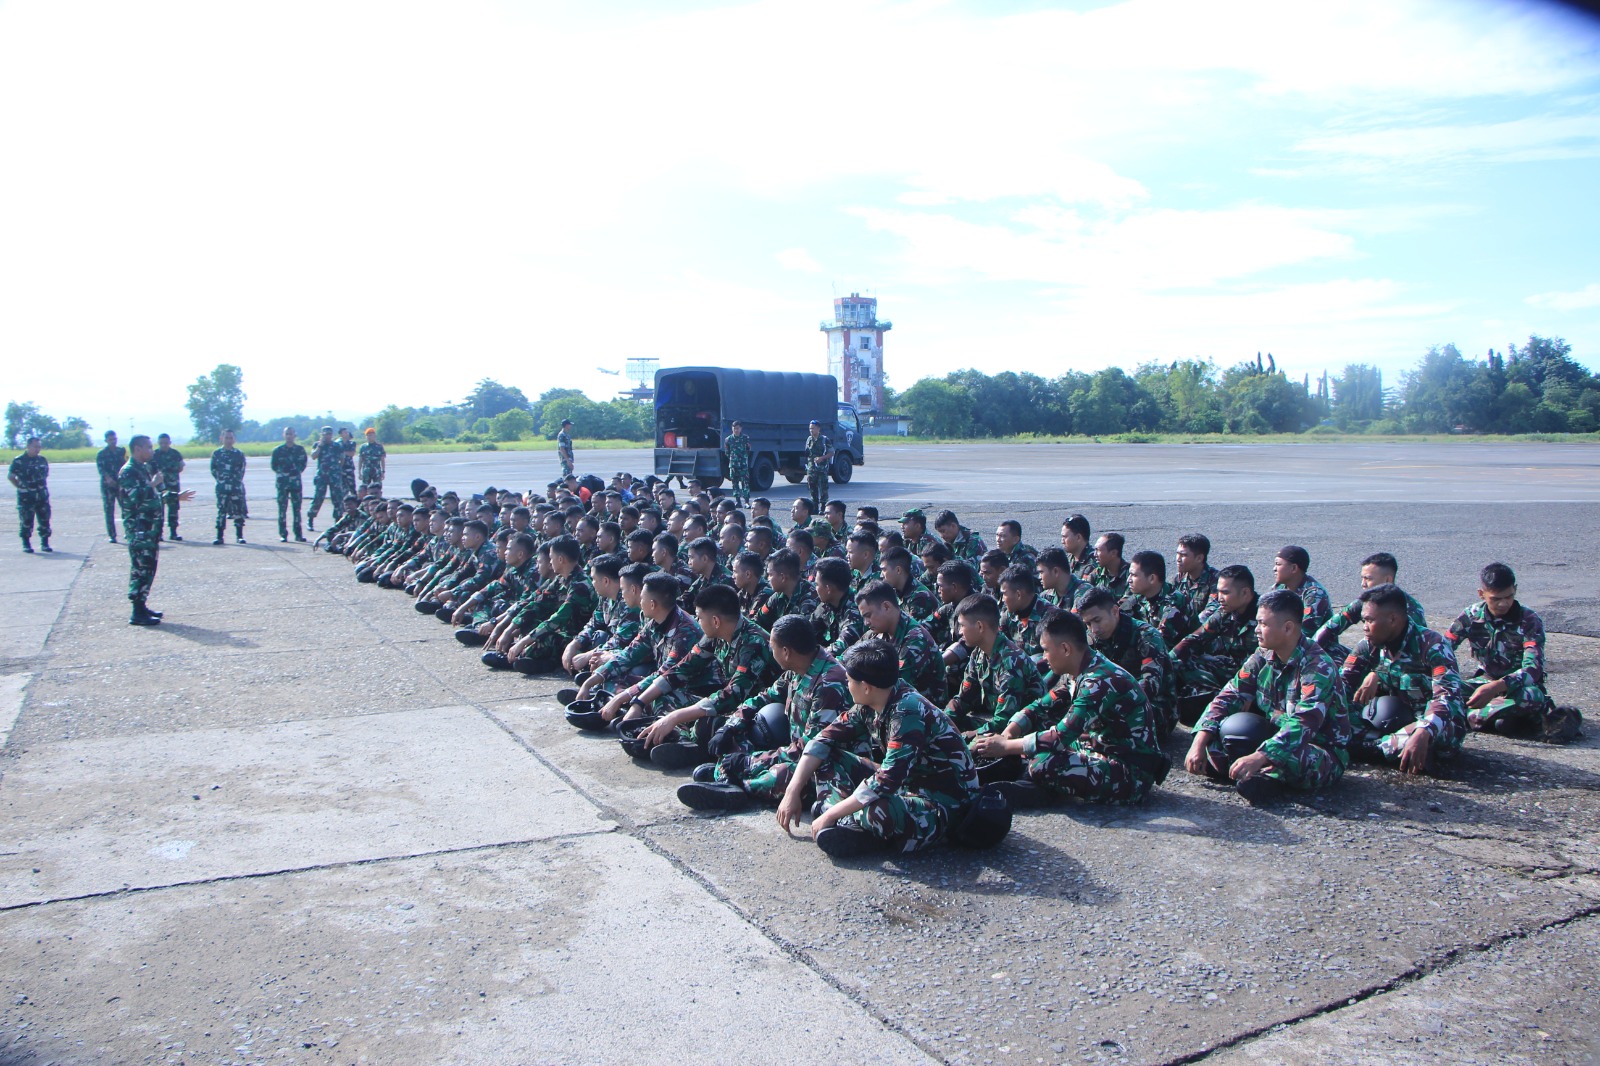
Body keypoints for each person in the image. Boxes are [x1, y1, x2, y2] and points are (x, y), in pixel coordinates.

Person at [777, 639, 982, 857]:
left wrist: (832, 814)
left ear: (866, 687)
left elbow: (887, 780)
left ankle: (845, 821)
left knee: (880, 811)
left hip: (943, 804)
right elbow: (822, 740)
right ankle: (849, 824)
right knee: (826, 757)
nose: (847, 685)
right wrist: (792, 791)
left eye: (849, 680)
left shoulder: (907, 712)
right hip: (908, 784)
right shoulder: (874, 700)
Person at [972, 609, 1164, 807]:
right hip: (1102, 748)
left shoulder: (1099, 681)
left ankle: (1038, 790)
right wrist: (1011, 730)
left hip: (1130, 773)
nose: (1044, 657)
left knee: (1043, 763)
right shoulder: (1085, 666)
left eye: (1046, 650)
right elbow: (1042, 706)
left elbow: (1059, 737)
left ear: (1065, 649)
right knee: (1033, 743)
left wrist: (1005, 746)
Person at [1185, 589, 1351, 805]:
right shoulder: (1264, 653)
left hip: (1315, 748)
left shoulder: (1318, 667)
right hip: (1274, 735)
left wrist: (1259, 756)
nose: (1257, 630)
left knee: (1294, 759)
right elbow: (1228, 695)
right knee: (1221, 737)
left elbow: (1303, 724)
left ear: (1288, 628)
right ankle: (1259, 775)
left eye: (1263, 624)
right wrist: (1199, 741)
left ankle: (1263, 777)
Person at [677, 616, 859, 811]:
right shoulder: (799, 668)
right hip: (791, 749)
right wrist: (730, 726)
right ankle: (729, 778)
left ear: (786, 652)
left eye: (773, 648)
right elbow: (763, 698)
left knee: (783, 775)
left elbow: (813, 746)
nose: (771, 652)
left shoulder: (829, 684)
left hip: (823, 762)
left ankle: (737, 785)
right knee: (735, 736)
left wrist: (750, 761)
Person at [634, 583, 777, 769]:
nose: (697, 620)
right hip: (732, 705)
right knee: (662, 698)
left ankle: (700, 748)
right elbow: (682, 668)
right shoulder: (714, 635)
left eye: (700, 617)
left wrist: (676, 717)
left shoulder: (754, 643)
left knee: (709, 724)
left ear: (716, 621)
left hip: (758, 712)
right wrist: (638, 703)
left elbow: (734, 694)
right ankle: (684, 743)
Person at [1343, 583, 1466, 775]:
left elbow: (1446, 698)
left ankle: (1371, 749)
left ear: (1393, 619)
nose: (1365, 628)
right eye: (1363, 621)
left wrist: (1425, 729)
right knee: (1336, 713)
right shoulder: (1369, 644)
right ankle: (1384, 747)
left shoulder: (1432, 646)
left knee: (1442, 731)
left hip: (1433, 723)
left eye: (1369, 621)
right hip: (1393, 717)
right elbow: (1341, 685)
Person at [1448, 562, 1577, 739]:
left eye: (1508, 596)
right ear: (1482, 594)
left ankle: (1474, 715)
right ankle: (1493, 717)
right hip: (1484, 683)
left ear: (1515, 589)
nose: (1503, 604)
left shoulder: (1529, 620)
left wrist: (1498, 686)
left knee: (1531, 698)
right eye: (1495, 598)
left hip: (1518, 688)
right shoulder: (1470, 616)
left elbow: (1533, 669)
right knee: (1437, 687)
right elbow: (1443, 648)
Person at [1077, 587, 1176, 741]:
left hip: (1153, 708)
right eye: (1088, 624)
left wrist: (1107, 703)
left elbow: (1150, 685)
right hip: (1109, 704)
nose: (1094, 629)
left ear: (1115, 611)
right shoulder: (1092, 637)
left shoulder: (1146, 636)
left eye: (1097, 620)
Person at [945, 593, 1046, 737]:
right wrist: (942, 720)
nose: (960, 632)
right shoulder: (979, 653)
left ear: (980, 626)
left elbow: (1003, 722)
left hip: (1023, 731)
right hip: (994, 719)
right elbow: (963, 699)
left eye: (962, 625)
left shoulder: (1011, 662)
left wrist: (966, 736)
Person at [118, 434, 195, 625]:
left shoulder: (143, 469)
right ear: (137, 449)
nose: (151, 451)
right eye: (148, 448)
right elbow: (135, 496)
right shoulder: (128, 471)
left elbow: (157, 494)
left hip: (150, 529)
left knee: (149, 567)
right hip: (139, 528)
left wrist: (176, 496)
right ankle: (136, 612)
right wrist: (152, 483)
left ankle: (142, 605)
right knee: (140, 568)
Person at [1170, 564, 1260, 724]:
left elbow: (1271, 665)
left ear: (1245, 593)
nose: (1219, 597)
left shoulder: (1264, 618)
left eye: (1225, 592)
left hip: (1257, 681)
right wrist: (1166, 663)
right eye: (1218, 591)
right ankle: (1215, 696)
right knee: (1182, 662)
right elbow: (1194, 639)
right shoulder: (1225, 611)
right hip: (1232, 671)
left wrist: (1247, 692)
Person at [1312, 552, 1425, 662]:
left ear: (1387, 580)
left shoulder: (1410, 609)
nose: (1363, 584)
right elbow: (1330, 627)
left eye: (1368, 579)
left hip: (1403, 663)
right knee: (1326, 649)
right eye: (1362, 578)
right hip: (1371, 655)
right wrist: (1306, 654)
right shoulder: (1364, 603)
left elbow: (1414, 650)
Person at [856, 579, 947, 703]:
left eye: (868, 615)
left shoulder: (916, 641)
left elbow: (888, 690)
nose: (866, 623)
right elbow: (848, 658)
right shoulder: (878, 632)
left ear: (886, 607)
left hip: (918, 712)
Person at [1121, 550, 1189, 647]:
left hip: (1180, 657)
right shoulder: (1140, 595)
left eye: (1134, 575)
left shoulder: (1173, 603)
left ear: (1152, 578)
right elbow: (1118, 618)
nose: (1129, 580)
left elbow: (1159, 644)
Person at [1272, 545, 1333, 633]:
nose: (1274, 569)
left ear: (1294, 568)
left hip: (1315, 645)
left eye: (1278, 564)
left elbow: (1307, 631)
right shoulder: (1278, 588)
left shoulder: (1314, 594)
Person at [1171, 533, 1220, 636]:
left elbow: (1212, 611)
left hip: (1204, 633)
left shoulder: (1216, 580)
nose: (1178, 559)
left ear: (1199, 558)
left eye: (1183, 555)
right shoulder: (1178, 579)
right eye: (1178, 554)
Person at [8, 437, 51, 553]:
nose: (38, 449)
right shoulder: (19, 461)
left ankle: (45, 543)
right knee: (26, 520)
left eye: (39, 447)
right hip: (26, 497)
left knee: (45, 519)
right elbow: (11, 477)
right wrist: (21, 487)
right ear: (28, 446)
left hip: (42, 495)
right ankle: (26, 544)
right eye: (35, 446)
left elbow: (45, 475)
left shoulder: (42, 460)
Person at [210, 429, 249, 545]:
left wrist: (235, 481)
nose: (228, 440)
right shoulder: (217, 454)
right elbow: (213, 469)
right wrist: (222, 480)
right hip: (222, 488)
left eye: (231, 438)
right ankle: (220, 536)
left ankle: (239, 536)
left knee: (238, 511)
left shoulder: (239, 454)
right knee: (221, 511)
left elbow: (242, 470)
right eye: (226, 438)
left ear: (234, 439)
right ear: (221, 438)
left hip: (236, 487)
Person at [270, 427, 309, 543]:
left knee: (297, 509)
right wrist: (284, 474)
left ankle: (298, 534)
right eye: (287, 434)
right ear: (284, 435)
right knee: (282, 510)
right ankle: (283, 534)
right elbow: (274, 466)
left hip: (295, 483)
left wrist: (294, 473)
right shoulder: (278, 450)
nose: (289, 436)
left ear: (294, 435)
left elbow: (303, 464)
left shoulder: (300, 450)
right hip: (282, 483)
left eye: (291, 434)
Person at [307, 427, 345, 530]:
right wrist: (320, 446)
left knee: (337, 499)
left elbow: (342, 459)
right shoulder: (318, 444)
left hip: (334, 476)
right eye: (325, 434)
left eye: (329, 434)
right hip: (322, 476)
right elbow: (313, 456)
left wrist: (337, 470)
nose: (327, 436)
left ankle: (338, 521)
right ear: (322, 434)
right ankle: (310, 519)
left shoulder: (337, 446)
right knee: (318, 498)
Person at [152, 434, 186, 540]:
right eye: (161, 443)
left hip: (173, 486)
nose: (164, 445)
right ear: (158, 443)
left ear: (169, 443)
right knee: (158, 512)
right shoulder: (154, 455)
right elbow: (149, 470)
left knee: (173, 511)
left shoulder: (175, 454)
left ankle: (173, 533)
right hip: (160, 488)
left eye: (166, 443)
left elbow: (181, 467)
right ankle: (159, 534)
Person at [95, 430, 126, 542]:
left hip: (120, 484)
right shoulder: (102, 454)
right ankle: (112, 535)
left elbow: (125, 465)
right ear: (106, 441)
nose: (113, 441)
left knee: (126, 508)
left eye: (114, 439)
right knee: (109, 510)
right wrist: (108, 479)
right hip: (107, 486)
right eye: (110, 439)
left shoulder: (121, 451)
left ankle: (128, 531)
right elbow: (101, 470)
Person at [803, 419, 833, 513]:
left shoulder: (824, 439)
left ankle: (823, 507)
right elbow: (807, 454)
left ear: (818, 429)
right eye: (810, 428)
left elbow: (832, 452)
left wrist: (822, 458)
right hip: (811, 468)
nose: (811, 430)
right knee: (812, 488)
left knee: (823, 488)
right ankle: (814, 507)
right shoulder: (809, 439)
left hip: (822, 468)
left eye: (813, 428)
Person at [724, 420, 752, 507]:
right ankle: (738, 501)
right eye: (734, 428)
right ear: (732, 428)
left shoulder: (745, 438)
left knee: (745, 483)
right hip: (733, 465)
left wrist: (742, 458)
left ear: (741, 429)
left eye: (738, 428)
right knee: (735, 483)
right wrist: (733, 459)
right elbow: (727, 452)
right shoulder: (728, 439)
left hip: (743, 465)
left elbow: (748, 450)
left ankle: (747, 502)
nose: (736, 430)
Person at [358, 428, 387, 497]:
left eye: (371, 435)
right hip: (366, 471)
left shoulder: (379, 447)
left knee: (377, 487)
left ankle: (378, 501)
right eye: (368, 435)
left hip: (376, 470)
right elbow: (360, 460)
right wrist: (359, 472)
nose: (370, 437)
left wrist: (383, 471)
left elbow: (382, 459)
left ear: (374, 436)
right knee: (365, 488)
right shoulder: (363, 447)